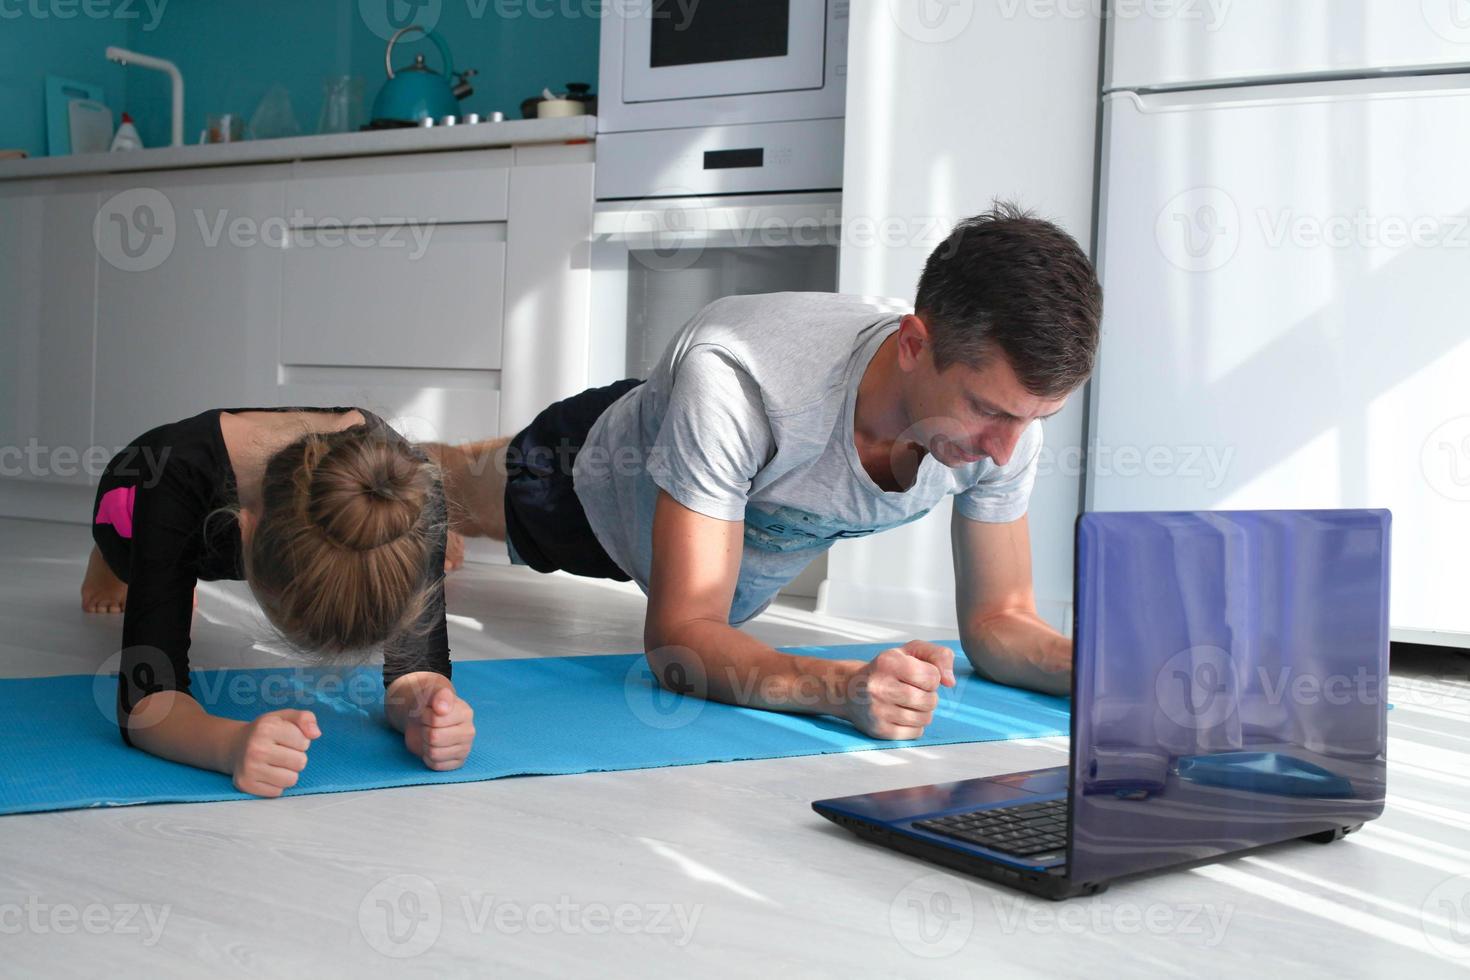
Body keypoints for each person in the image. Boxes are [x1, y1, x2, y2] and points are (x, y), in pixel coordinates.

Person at [433, 203, 1101, 740]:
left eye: (1033, 420)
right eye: (986, 411)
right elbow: (681, 641)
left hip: (712, 466)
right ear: (914, 346)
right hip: (591, 479)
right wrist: (838, 688)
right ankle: (345, 437)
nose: (1006, 452)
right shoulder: (737, 379)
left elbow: (1000, 620)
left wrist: (1103, 670)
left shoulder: (1007, 422)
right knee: (434, 488)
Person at [82, 407, 476, 796]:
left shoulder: (403, 490)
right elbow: (146, 703)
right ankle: (135, 566)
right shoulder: (173, 470)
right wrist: (228, 745)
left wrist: (426, 708)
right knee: (133, 551)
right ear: (245, 533)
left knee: (172, 563)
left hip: (235, 509)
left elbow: (417, 668)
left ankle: (167, 573)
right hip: (132, 500)